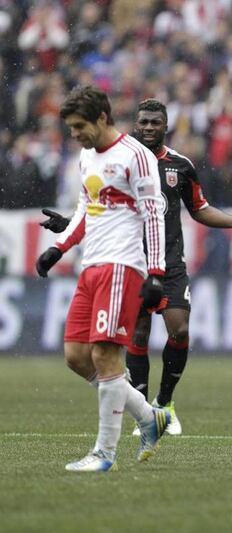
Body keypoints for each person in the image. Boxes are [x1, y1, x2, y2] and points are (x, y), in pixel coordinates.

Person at [41, 98, 232, 437]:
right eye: (144, 122)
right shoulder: (122, 159)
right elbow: (100, 205)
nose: (148, 127)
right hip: (133, 261)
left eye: (155, 122)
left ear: (166, 126)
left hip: (171, 263)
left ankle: (165, 402)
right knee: (138, 334)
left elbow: (199, 208)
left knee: (179, 329)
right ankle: (145, 413)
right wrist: (68, 225)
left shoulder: (180, 166)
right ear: (136, 124)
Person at [36, 85, 169, 472]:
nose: (74, 134)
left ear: (102, 118)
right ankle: (150, 417)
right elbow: (85, 206)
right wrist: (59, 247)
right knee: (76, 356)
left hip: (121, 264)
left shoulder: (135, 156)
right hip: (91, 264)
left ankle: (104, 453)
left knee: (105, 355)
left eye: (80, 126)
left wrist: (156, 272)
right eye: (71, 128)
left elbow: (153, 214)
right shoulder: (86, 156)